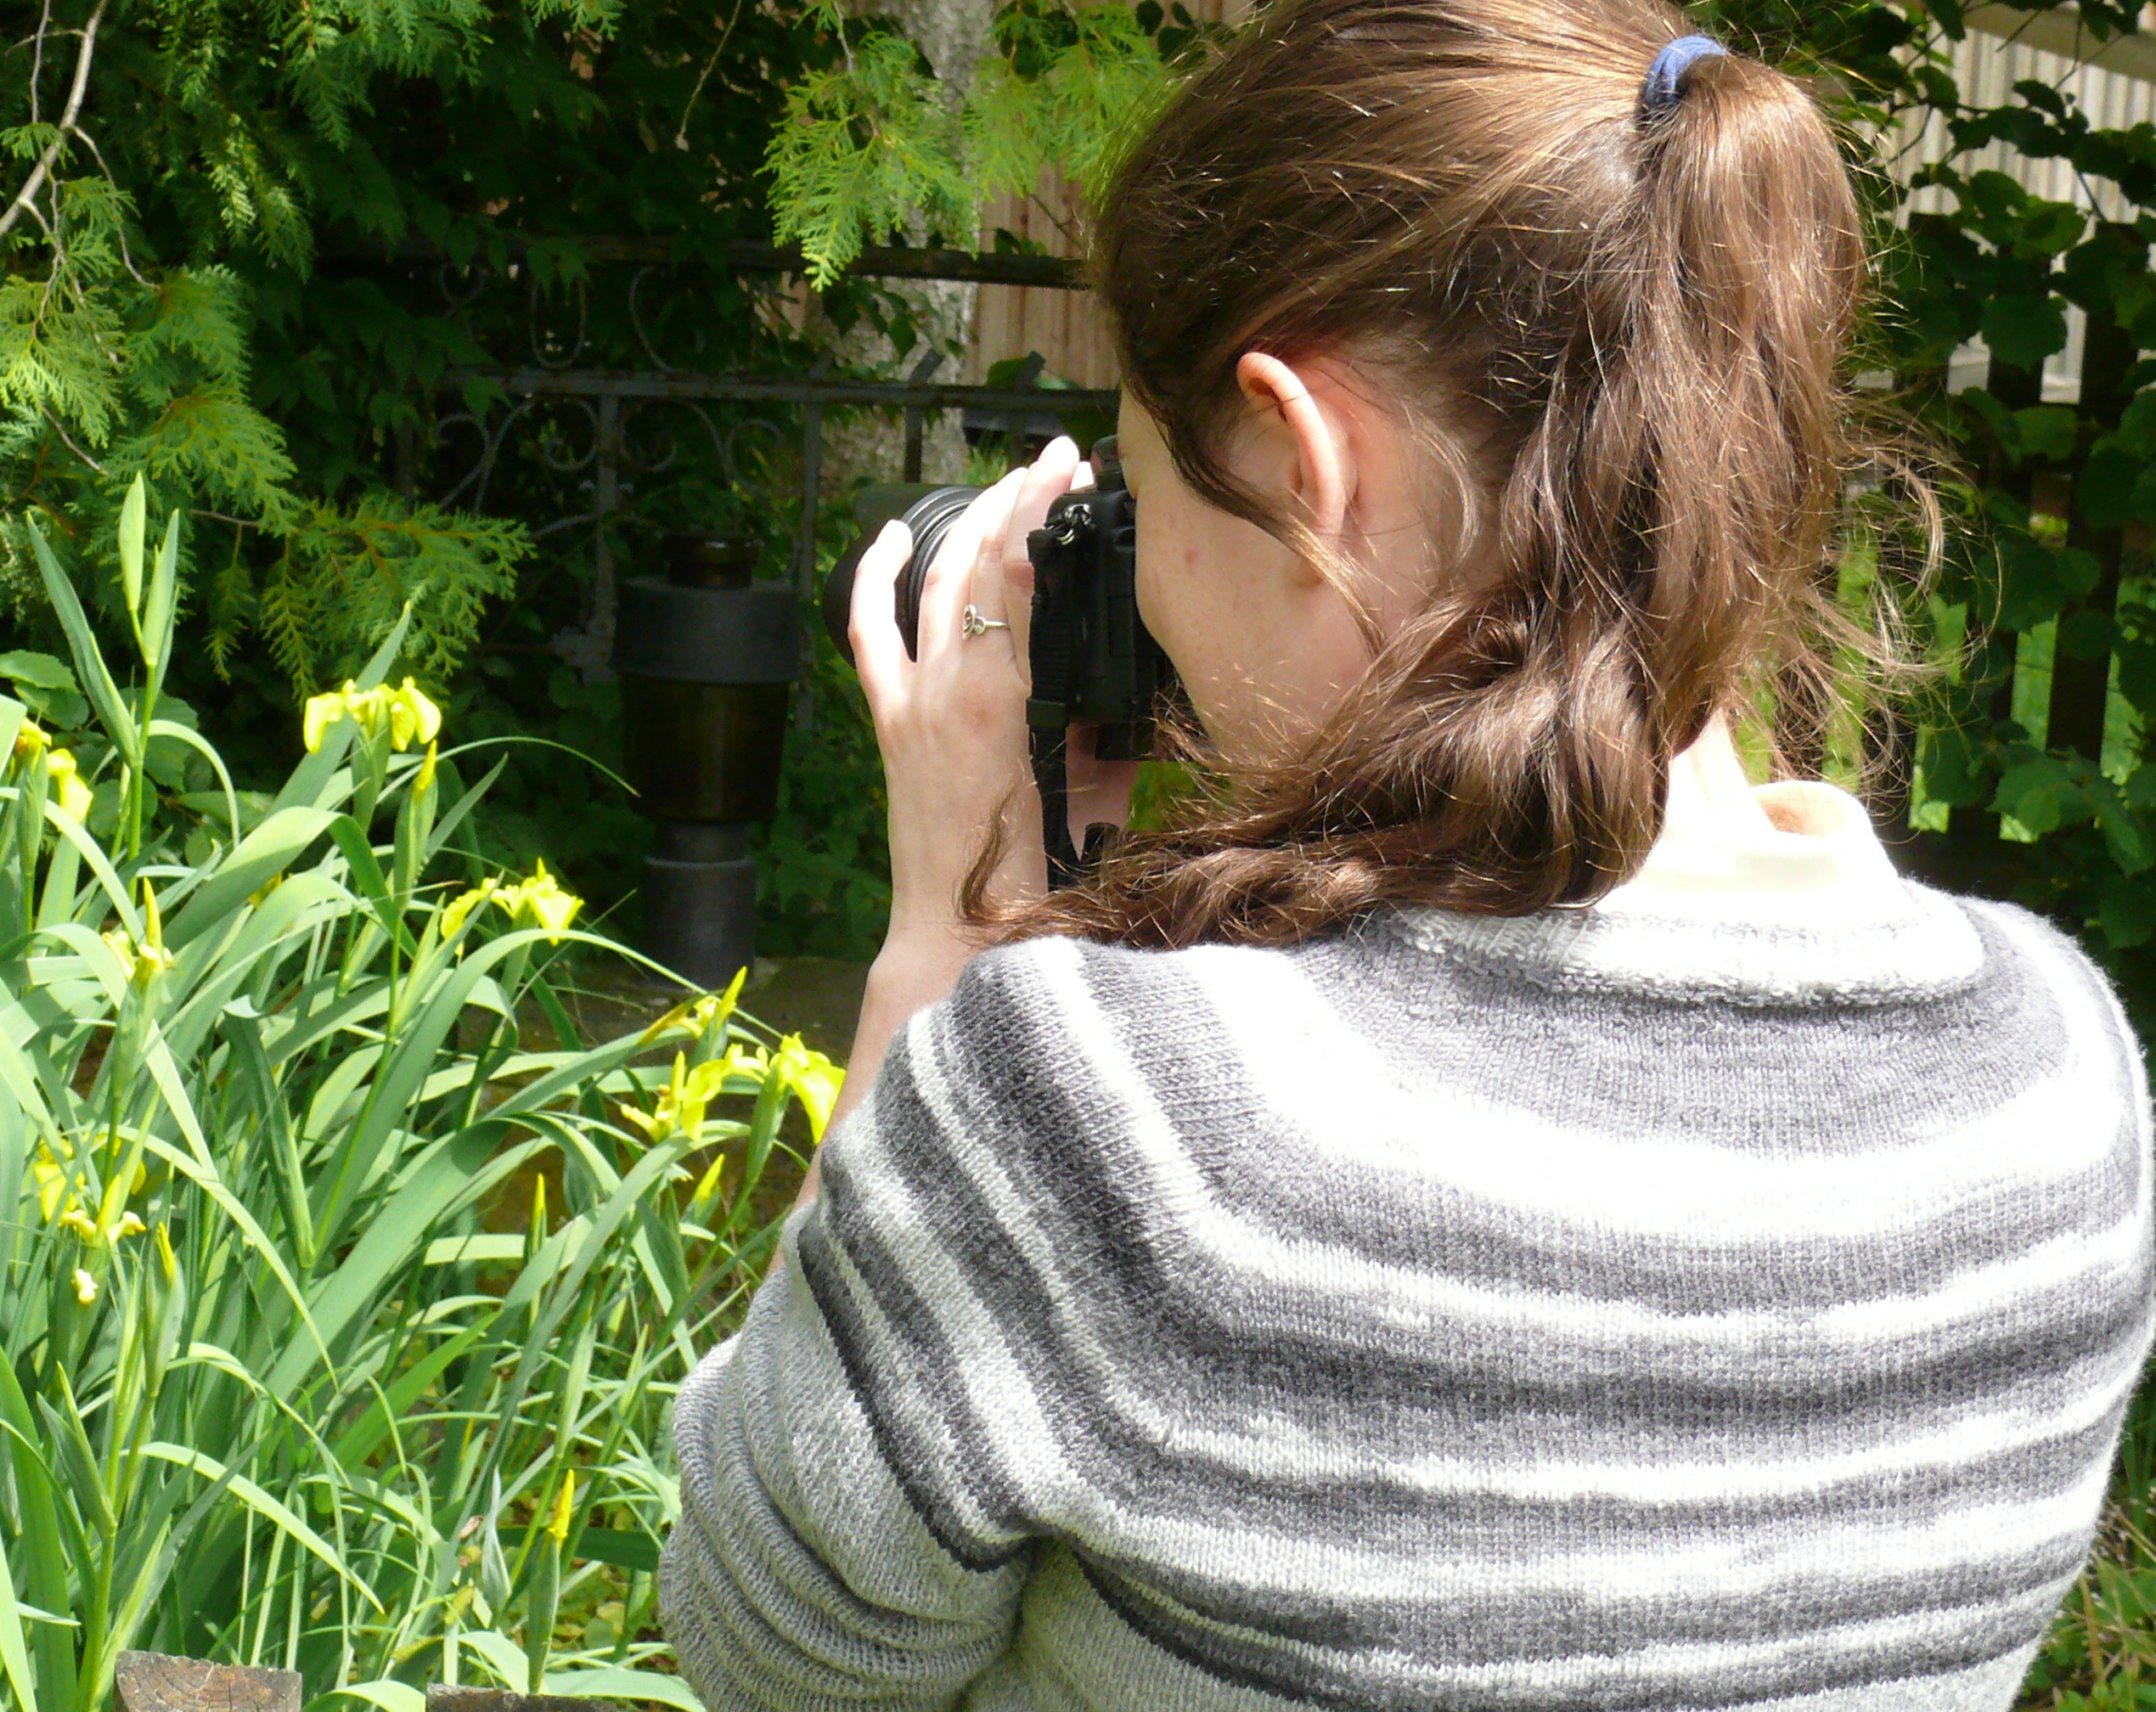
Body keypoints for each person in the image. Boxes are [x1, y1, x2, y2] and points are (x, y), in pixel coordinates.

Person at [655, 2, 2156, 1708]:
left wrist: (942, 936)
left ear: (1305, 463)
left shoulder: (1109, 1117)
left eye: (1148, 493)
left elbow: (775, 1655)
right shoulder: (2054, 1071)